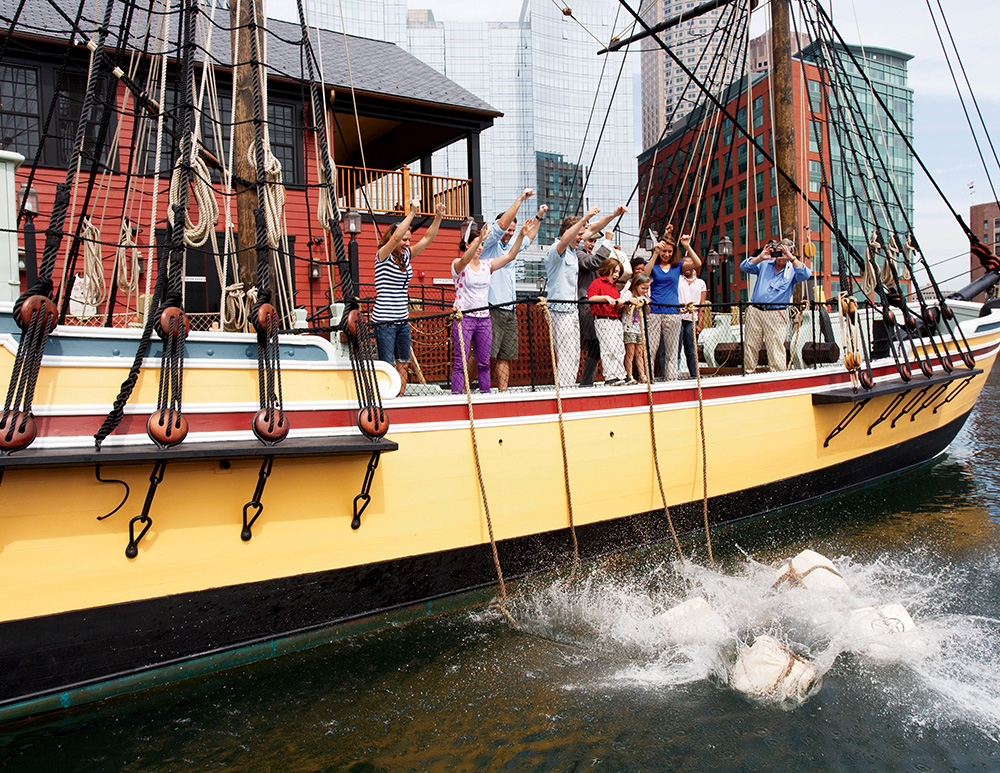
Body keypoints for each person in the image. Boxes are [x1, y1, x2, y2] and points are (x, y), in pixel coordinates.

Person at [451, 219, 535, 394]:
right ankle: (456, 396)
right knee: (461, 362)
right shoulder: (458, 265)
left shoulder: (486, 265)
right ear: (467, 245)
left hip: (484, 318)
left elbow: (510, 255)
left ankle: (485, 396)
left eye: (482, 244)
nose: (480, 247)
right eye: (477, 244)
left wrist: (520, 235)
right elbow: (466, 258)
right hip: (464, 318)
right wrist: (479, 238)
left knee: (484, 362)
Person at [373, 201, 446, 395]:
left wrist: (438, 216)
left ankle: (400, 396)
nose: (407, 243)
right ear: (393, 239)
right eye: (404, 240)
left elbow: (427, 239)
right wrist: (412, 213)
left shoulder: (406, 256)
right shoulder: (383, 255)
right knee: (387, 365)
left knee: (404, 362)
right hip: (385, 320)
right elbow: (396, 234)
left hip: (402, 319)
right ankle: (385, 397)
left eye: (409, 240)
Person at [485, 190, 547, 392]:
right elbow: (501, 225)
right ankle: (468, 388)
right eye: (508, 229)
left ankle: (503, 393)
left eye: (513, 230)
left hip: (510, 308)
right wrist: (520, 199)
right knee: (484, 355)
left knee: (506, 355)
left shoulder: (512, 245)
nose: (510, 233)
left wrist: (538, 216)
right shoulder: (489, 245)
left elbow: (529, 236)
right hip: (493, 307)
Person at [544, 206, 600, 387]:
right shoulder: (556, 250)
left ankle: (567, 388)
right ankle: (564, 391)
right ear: (570, 233)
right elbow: (567, 238)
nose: (582, 239)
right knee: (566, 353)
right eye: (579, 234)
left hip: (571, 309)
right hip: (559, 310)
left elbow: (593, 229)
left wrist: (614, 215)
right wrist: (584, 219)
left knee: (574, 353)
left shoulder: (572, 252)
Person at [740, 237, 811, 372]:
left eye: (784, 253)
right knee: (750, 345)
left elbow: (807, 274)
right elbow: (744, 266)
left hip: (776, 312)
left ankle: (778, 375)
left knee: (775, 346)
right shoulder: (765, 263)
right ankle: (748, 373)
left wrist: (791, 258)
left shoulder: (793, 270)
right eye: (778, 252)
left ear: (790, 254)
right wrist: (760, 257)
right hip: (755, 310)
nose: (780, 257)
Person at [576, 206, 628, 386]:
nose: (591, 243)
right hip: (588, 306)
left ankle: (590, 381)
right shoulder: (580, 255)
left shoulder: (589, 258)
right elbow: (594, 263)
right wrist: (606, 243)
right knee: (595, 344)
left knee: (597, 346)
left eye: (593, 241)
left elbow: (605, 272)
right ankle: (589, 382)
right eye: (589, 240)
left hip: (600, 308)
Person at [641, 227, 702, 381]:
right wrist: (655, 253)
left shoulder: (678, 267)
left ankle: (671, 380)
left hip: (673, 313)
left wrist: (687, 246)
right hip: (654, 311)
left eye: (670, 251)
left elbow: (697, 263)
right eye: (664, 251)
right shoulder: (654, 266)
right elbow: (645, 274)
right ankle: (650, 380)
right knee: (651, 349)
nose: (666, 254)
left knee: (672, 351)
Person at [587, 257, 627, 385]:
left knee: (619, 348)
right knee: (608, 348)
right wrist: (605, 297)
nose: (616, 275)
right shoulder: (597, 282)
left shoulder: (613, 287)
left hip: (615, 319)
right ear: (607, 269)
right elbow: (591, 298)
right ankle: (610, 376)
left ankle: (621, 374)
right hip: (603, 319)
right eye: (614, 271)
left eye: (618, 272)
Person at [677, 262, 707, 378]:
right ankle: (676, 375)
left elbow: (702, 304)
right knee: (676, 349)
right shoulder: (678, 279)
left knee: (692, 349)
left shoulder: (700, 283)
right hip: (679, 317)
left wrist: (700, 323)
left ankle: (695, 375)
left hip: (692, 318)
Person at [621, 274, 652, 384]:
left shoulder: (644, 297)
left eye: (647, 288)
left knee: (640, 352)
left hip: (640, 328)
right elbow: (622, 306)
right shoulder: (629, 294)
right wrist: (630, 301)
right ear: (636, 286)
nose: (645, 291)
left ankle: (642, 374)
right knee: (630, 352)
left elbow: (647, 313)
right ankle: (629, 375)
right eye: (643, 288)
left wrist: (646, 304)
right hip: (629, 327)